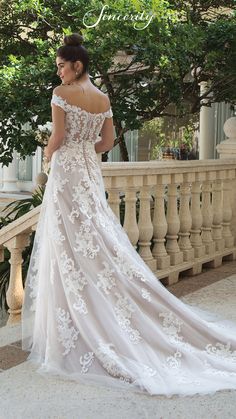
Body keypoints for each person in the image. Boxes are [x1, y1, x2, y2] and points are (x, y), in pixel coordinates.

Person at [21, 33, 236, 397]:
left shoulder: (61, 95)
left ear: (78, 65)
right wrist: (84, 147)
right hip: (88, 171)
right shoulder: (102, 98)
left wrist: (49, 156)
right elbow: (106, 143)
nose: (58, 72)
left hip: (67, 174)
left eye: (61, 65)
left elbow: (56, 138)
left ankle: (74, 326)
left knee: (68, 246)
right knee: (95, 239)